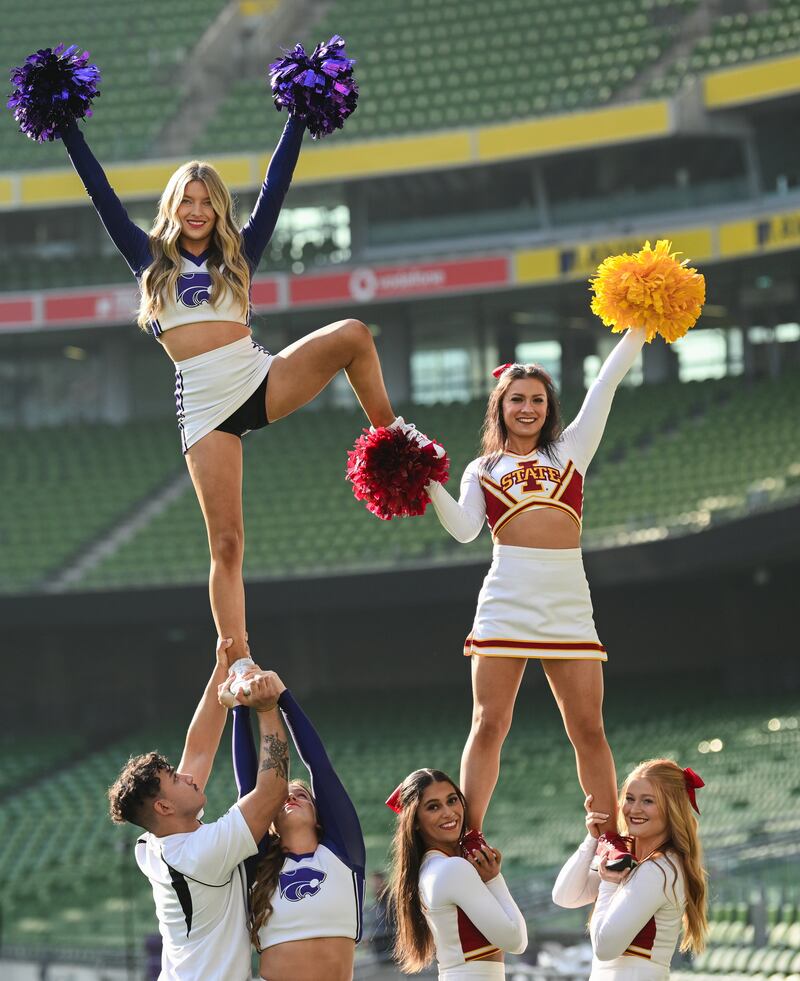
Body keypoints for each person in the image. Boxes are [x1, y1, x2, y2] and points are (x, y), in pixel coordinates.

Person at [61, 108, 438, 669]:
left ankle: (393, 445)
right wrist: (68, 124)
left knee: (354, 335)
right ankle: (236, 658)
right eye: (186, 200)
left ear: (219, 207)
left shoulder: (239, 254)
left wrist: (299, 118)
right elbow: (101, 193)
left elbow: (276, 186)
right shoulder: (147, 260)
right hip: (206, 410)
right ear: (172, 207)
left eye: (206, 200)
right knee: (228, 544)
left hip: (258, 378)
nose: (196, 210)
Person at [426, 328, 647, 849]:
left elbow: (607, 382)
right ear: (499, 407)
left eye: (538, 400)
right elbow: (463, 529)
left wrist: (641, 321)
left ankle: (609, 841)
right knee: (488, 724)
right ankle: (468, 839)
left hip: (568, 598)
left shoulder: (571, 450)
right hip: (507, 598)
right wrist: (429, 480)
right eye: (517, 400)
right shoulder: (483, 469)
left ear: (549, 408)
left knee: (588, 728)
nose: (528, 408)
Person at [107, 639, 289, 980]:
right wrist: (266, 709)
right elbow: (272, 791)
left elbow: (200, 749)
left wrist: (221, 666)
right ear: (163, 806)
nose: (188, 776)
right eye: (176, 778)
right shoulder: (198, 854)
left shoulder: (157, 841)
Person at [228, 670, 365, 981]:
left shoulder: (343, 853)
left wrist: (284, 698)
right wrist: (239, 709)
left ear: (319, 815)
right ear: (271, 819)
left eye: (301, 794)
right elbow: (250, 789)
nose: (292, 798)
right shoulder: (259, 863)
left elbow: (320, 768)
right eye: (282, 798)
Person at [552, 759, 708, 979]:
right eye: (630, 798)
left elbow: (605, 948)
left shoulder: (659, 869)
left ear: (671, 808)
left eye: (648, 801)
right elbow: (565, 896)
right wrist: (593, 839)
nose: (635, 809)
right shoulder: (631, 859)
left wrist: (609, 883)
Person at [384, 767, 527, 979]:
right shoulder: (452, 869)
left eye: (452, 800)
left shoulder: (430, 867)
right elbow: (516, 941)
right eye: (433, 807)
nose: (448, 812)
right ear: (414, 821)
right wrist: (493, 879)